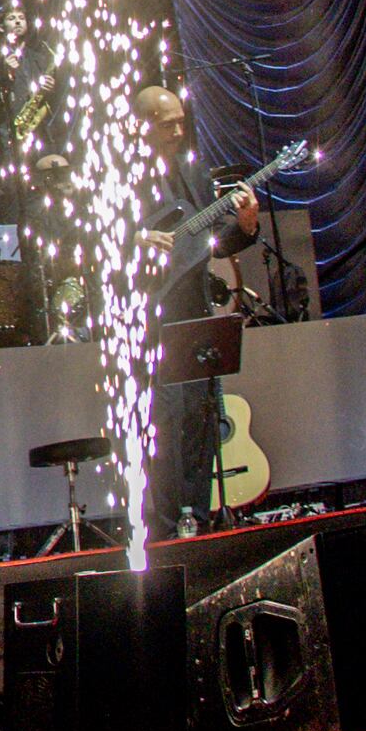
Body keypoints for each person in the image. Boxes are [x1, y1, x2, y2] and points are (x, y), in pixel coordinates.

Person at [135, 82, 259, 531]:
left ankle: (200, 523)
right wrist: (136, 240)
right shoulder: (121, 178)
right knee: (164, 432)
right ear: (144, 126)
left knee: (200, 425)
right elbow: (89, 242)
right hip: (151, 322)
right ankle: (165, 533)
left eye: (182, 124)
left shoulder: (193, 173)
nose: (178, 132)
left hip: (196, 318)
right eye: (169, 125)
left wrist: (245, 227)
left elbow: (210, 243)